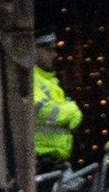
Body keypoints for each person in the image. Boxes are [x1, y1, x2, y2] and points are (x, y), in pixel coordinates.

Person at [33, 43, 80, 174]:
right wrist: (71, 110)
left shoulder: (51, 81)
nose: (54, 55)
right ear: (34, 50)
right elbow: (40, 110)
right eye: (48, 50)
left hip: (55, 162)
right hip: (41, 162)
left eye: (54, 50)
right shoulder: (32, 78)